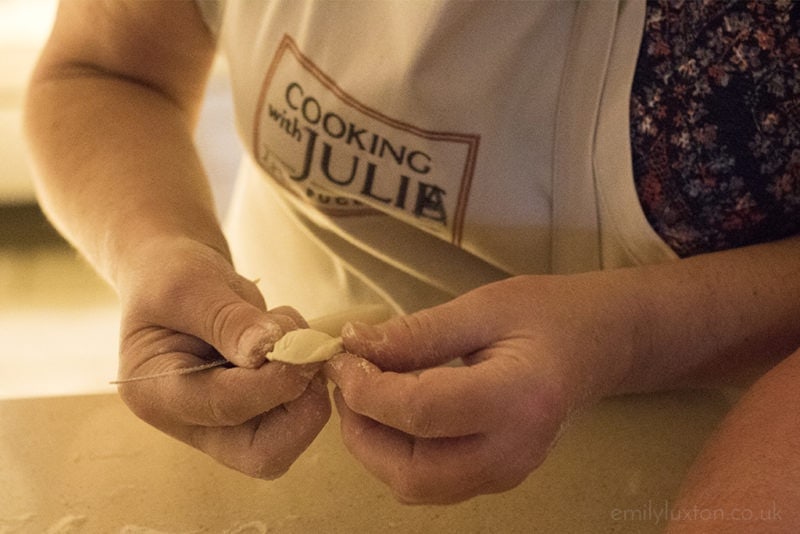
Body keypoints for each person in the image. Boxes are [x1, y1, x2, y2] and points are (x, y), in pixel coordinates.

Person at [24, 0, 800, 529]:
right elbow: (105, 73)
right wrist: (156, 248)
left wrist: (631, 336)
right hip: (289, 458)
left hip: (718, 455)